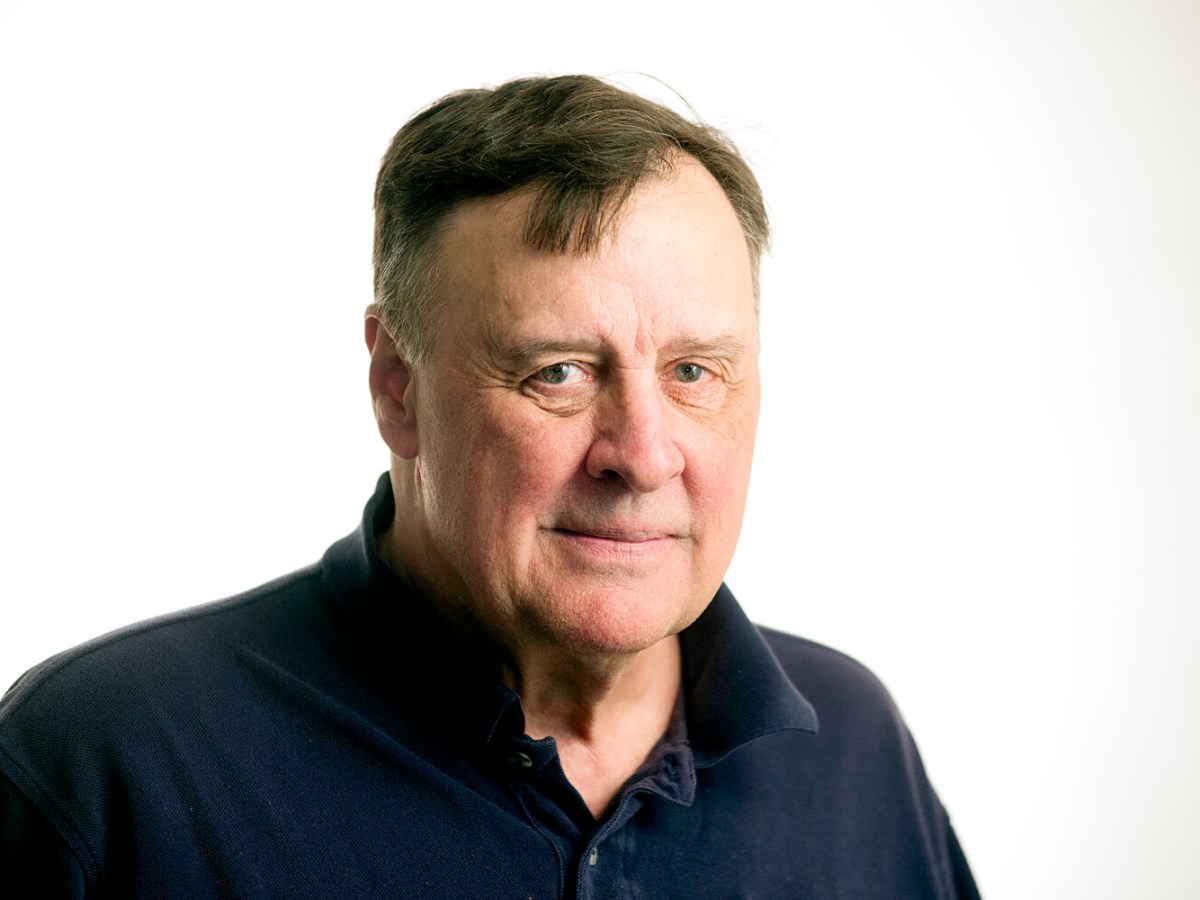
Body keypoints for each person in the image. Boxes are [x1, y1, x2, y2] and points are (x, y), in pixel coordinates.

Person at [0, 75, 980, 898]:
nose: (642, 456)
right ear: (398, 386)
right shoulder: (106, 766)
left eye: (694, 371)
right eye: (559, 373)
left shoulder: (851, 749)